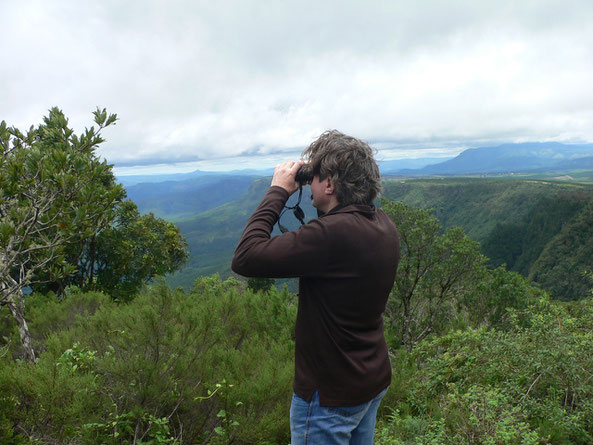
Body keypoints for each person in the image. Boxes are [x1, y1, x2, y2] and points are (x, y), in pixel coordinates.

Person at [232, 130, 400, 444]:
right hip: (370, 379)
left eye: (314, 176)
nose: (309, 183)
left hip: (330, 396)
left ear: (330, 184)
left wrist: (278, 190)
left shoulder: (333, 234)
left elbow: (245, 257)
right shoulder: (381, 223)